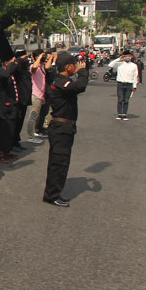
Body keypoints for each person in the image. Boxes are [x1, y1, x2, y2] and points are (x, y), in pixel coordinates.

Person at [43, 53, 88, 207]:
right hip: (61, 128)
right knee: (59, 163)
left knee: (59, 162)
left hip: (63, 127)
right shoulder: (61, 82)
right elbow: (80, 86)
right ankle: (52, 195)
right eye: (73, 65)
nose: (75, 67)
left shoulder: (59, 80)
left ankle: (52, 192)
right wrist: (83, 72)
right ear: (68, 67)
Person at [0, 58, 20, 162]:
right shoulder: (1, 73)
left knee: (10, 130)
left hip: (12, 106)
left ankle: (6, 151)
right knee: (2, 131)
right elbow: (5, 75)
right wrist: (11, 63)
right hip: (4, 107)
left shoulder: (10, 73)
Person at [108, 50, 140, 120]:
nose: (128, 57)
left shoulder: (134, 65)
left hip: (129, 84)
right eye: (126, 56)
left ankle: (124, 114)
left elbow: (135, 76)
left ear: (131, 56)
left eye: (129, 56)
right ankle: (119, 114)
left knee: (126, 100)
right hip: (120, 84)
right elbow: (110, 65)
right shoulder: (119, 64)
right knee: (120, 99)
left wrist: (134, 86)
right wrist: (119, 59)